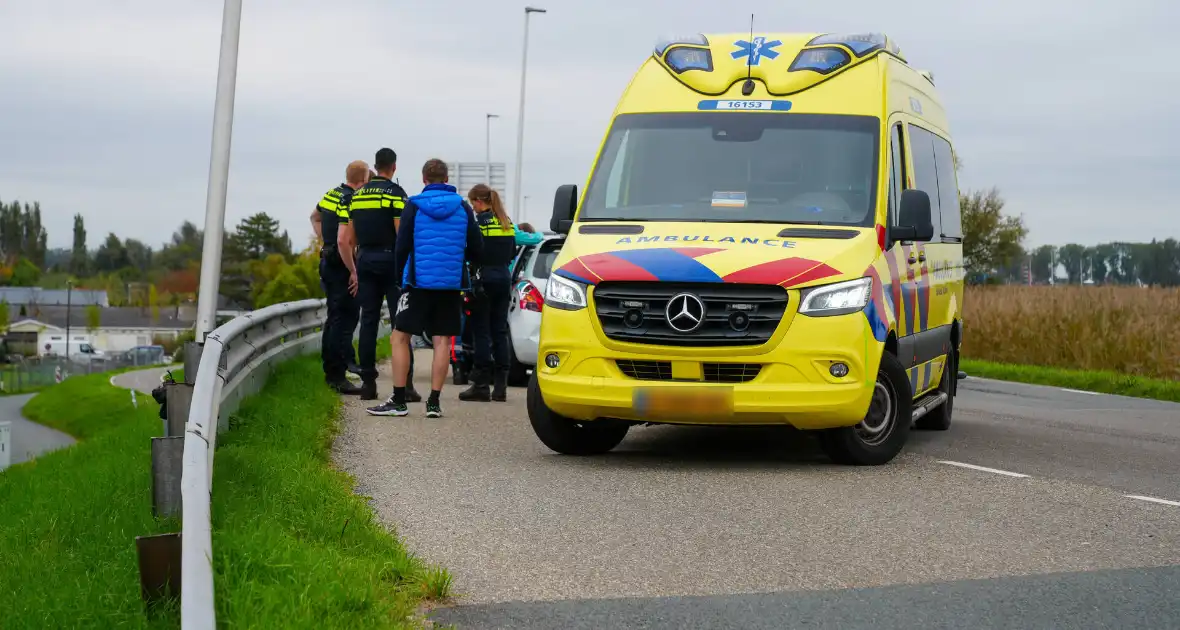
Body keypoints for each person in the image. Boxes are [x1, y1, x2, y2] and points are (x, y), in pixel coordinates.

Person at [366, 159, 482, 418]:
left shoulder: (414, 205)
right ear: (446, 179)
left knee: (400, 337)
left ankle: (398, 400)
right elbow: (476, 247)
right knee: (442, 340)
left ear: (424, 179)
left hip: (418, 283)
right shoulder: (463, 207)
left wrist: (399, 278)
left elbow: (402, 245)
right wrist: (463, 264)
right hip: (450, 284)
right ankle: (434, 403)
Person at [337, 148, 420, 402]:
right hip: (392, 261)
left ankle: (368, 384)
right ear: (393, 167)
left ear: (375, 166)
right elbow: (401, 233)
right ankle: (406, 385)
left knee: (368, 322)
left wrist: (355, 268)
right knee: (400, 323)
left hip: (365, 260)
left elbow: (349, 239)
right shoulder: (396, 194)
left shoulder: (357, 196)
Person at [458, 184, 540, 402]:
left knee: (481, 332)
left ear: (478, 201)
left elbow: (470, 252)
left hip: (483, 280)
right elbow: (514, 250)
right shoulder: (506, 223)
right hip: (504, 279)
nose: (473, 208)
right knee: (500, 332)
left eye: (473, 203)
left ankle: (481, 385)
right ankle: (501, 387)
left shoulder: (478, 224)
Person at [310, 160, 367, 394]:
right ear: (363, 180)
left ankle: (331, 371)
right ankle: (337, 376)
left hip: (327, 259)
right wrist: (353, 269)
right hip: (341, 265)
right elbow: (344, 241)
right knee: (344, 320)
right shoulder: (350, 199)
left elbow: (314, 216)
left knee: (333, 318)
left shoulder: (331, 194)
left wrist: (325, 240)